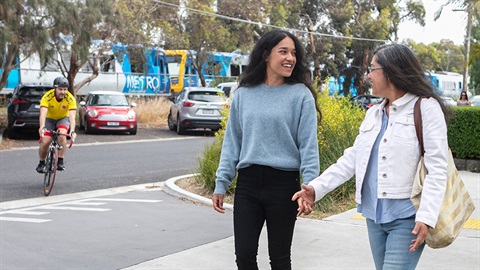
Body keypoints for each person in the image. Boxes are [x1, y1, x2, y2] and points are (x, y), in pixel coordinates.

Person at [293, 43, 449, 270]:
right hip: (374, 216)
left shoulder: (425, 107)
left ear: (391, 71)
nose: (368, 76)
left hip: (407, 218)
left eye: (372, 69)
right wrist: (316, 188)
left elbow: (437, 168)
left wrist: (426, 216)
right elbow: (352, 159)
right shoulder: (374, 113)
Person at [212, 29, 321, 270]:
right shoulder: (243, 94)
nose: (290, 58)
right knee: (244, 256)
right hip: (248, 185)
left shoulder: (301, 96)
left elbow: (308, 147)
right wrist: (222, 183)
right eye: (283, 52)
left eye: (293, 53)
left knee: (280, 260)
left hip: (284, 186)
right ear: (265, 55)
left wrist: (310, 189)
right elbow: (232, 143)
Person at [36, 77, 77, 173]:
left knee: (62, 134)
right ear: (55, 88)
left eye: (65, 89)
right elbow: (43, 114)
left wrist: (72, 131)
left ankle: (60, 161)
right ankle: (41, 163)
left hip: (63, 118)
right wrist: (42, 127)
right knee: (45, 141)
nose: (63, 92)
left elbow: (72, 117)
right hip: (49, 119)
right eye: (60, 89)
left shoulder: (70, 98)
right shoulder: (47, 97)